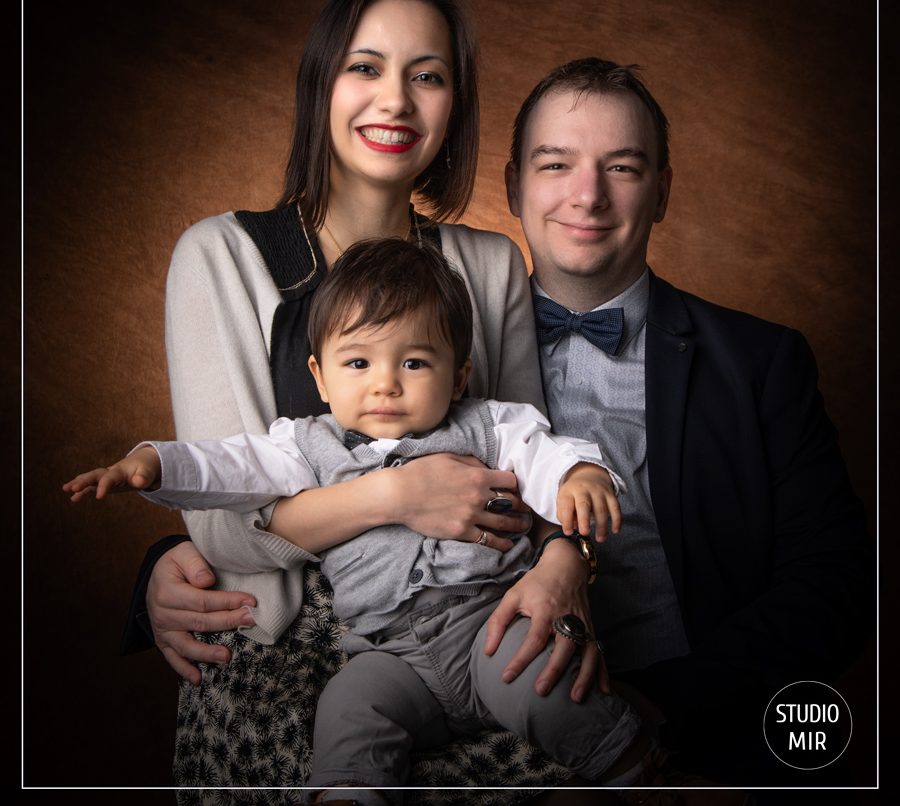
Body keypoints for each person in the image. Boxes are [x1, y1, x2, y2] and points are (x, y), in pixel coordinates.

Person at [124, 0, 608, 797]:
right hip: (283, 656)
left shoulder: (488, 267)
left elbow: (534, 483)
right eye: (366, 67)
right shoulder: (221, 257)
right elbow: (226, 535)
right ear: (321, 84)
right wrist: (398, 496)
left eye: (428, 75)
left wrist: (567, 567)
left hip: (475, 626)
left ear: (454, 104)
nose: (396, 100)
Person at [70, 239, 652, 800]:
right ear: (321, 377)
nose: (385, 383)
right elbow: (231, 462)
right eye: (357, 361)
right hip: (389, 654)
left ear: (458, 375)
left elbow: (545, 450)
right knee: (347, 712)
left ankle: (646, 776)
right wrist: (155, 462)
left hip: (489, 623)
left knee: (548, 689)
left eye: (415, 361)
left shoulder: (487, 425)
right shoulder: (306, 447)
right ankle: (350, 795)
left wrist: (580, 475)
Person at [501, 56, 876, 794]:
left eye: (623, 167)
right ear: (513, 184)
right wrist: (197, 557)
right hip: (477, 737)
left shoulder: (761, 362)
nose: (588, 195)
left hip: (696, 740)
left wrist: (661, 711)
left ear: (663, 192)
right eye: (556, 164)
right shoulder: (425, 352)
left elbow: (837, 585)